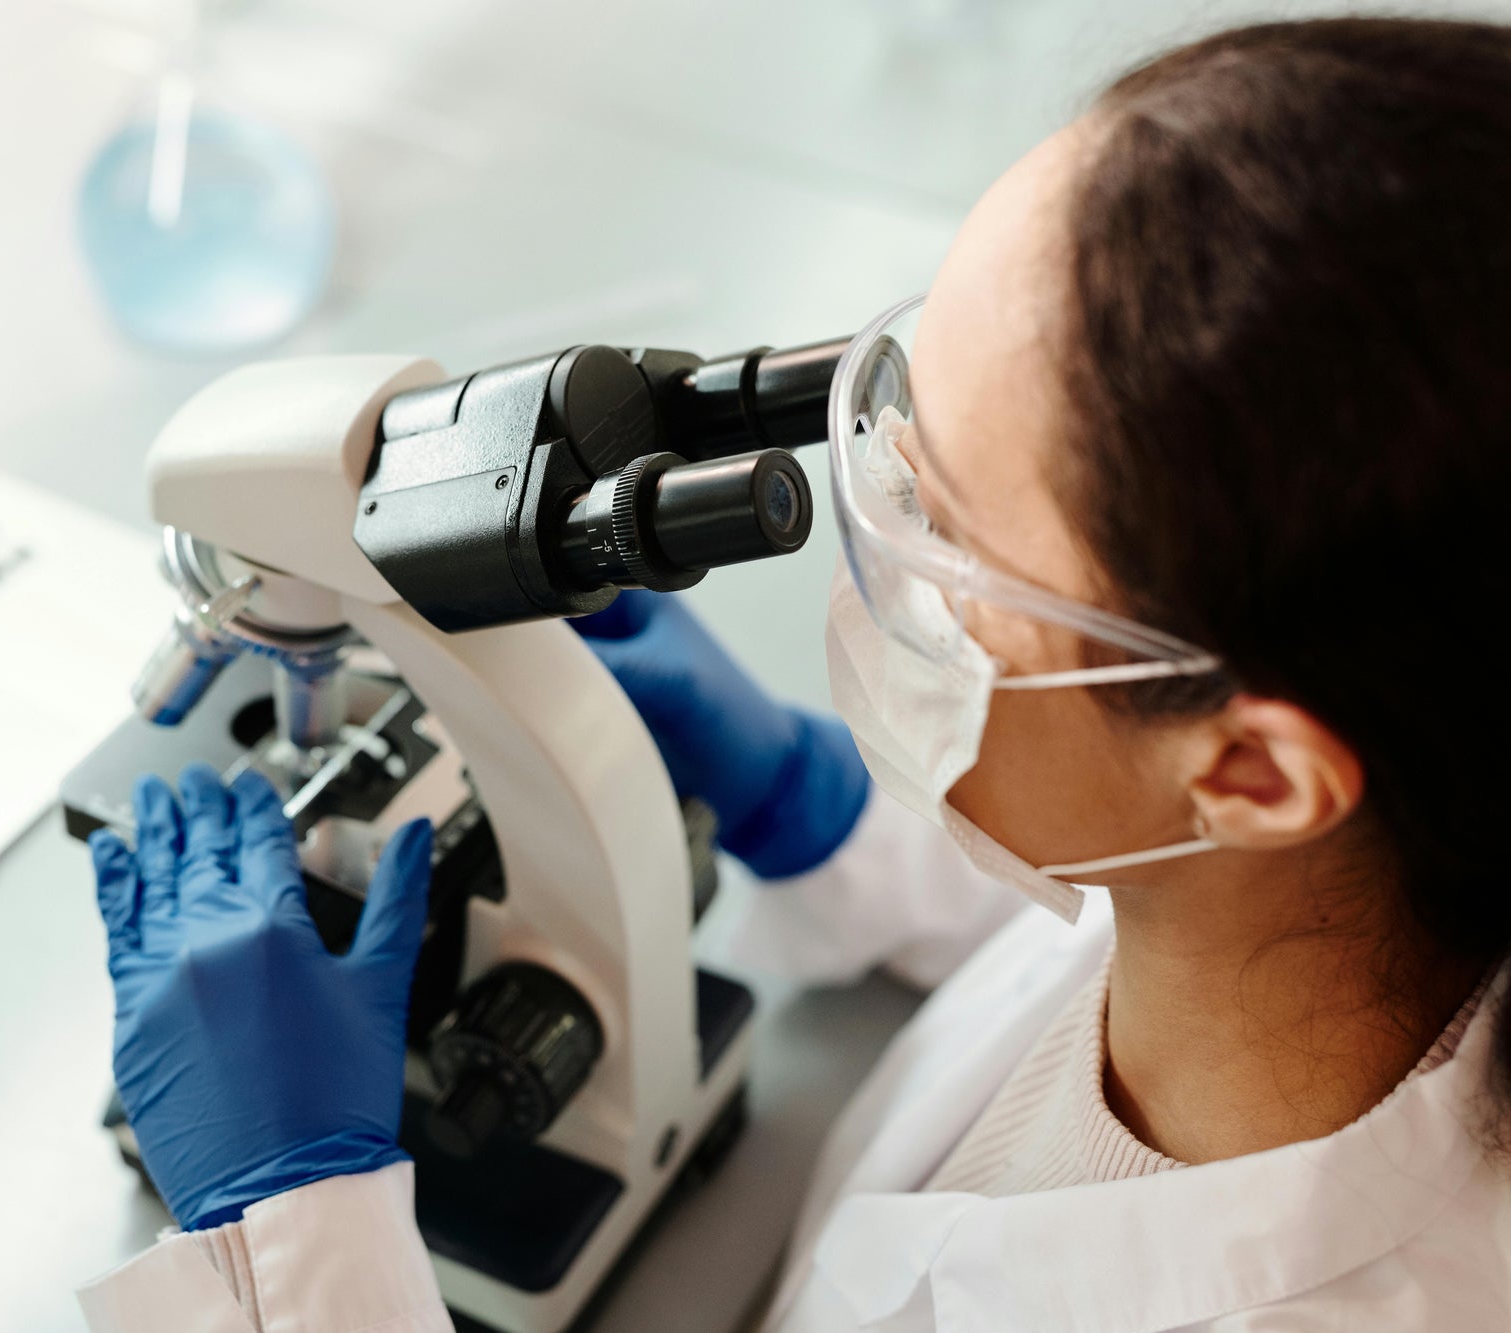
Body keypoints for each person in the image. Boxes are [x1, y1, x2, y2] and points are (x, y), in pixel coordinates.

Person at [75, 18, 1511, 1331]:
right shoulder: (1362, 888)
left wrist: (295, 1235)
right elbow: (1131, 920)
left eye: (940, 516)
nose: (872, 506)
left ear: (1252, 769)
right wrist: (825, 822)